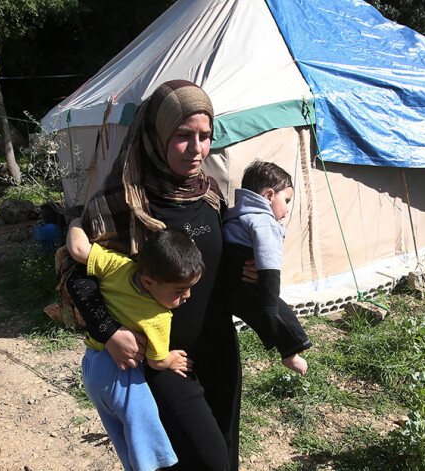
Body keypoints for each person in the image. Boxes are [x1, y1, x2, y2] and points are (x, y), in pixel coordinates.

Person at [63, 79, 240, 470]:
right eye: (183, 136)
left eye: (205, 136)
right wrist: (110, 332)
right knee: (206, 461)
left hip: (218, 350)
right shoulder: (120, 201)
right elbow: (76, 276)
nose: (197, 150)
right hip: (160, 360)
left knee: (225, 453)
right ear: (155, 133)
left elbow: (217, 269)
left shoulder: (209, 193)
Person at [66, 225, 205, 471]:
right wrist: (172, 359)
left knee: (123, 437)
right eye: (180, 291)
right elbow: (156, 361)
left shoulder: (117, 265)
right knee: (145, 436)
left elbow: (78, 249)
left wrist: (76, 220)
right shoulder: (160, 317)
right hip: (121, 375)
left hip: (92, 365)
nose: (188, 296)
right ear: (148, 282)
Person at [223, 161, 311, 375]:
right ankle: (291, 353)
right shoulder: (263, 220)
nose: (288, 209)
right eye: (286, 200)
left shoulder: (234, 214)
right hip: (251, 276)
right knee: (279, 313)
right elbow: (268, 256)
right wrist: (270, 298)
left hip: (227, 279)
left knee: (255, 314)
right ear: (269, 196)